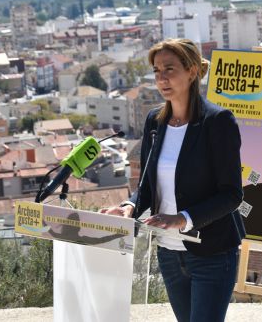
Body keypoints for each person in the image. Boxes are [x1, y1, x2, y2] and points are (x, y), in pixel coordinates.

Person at [105, 38, 245, 322]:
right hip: (168, 253)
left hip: (212, 253)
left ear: (191, 71)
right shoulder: (154, 122)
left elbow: (232, 195)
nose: (162, 78)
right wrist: (129, 207)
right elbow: (147, 186)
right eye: (157, 71)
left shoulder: (217, 122)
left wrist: (182, 219)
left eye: (169, 69)